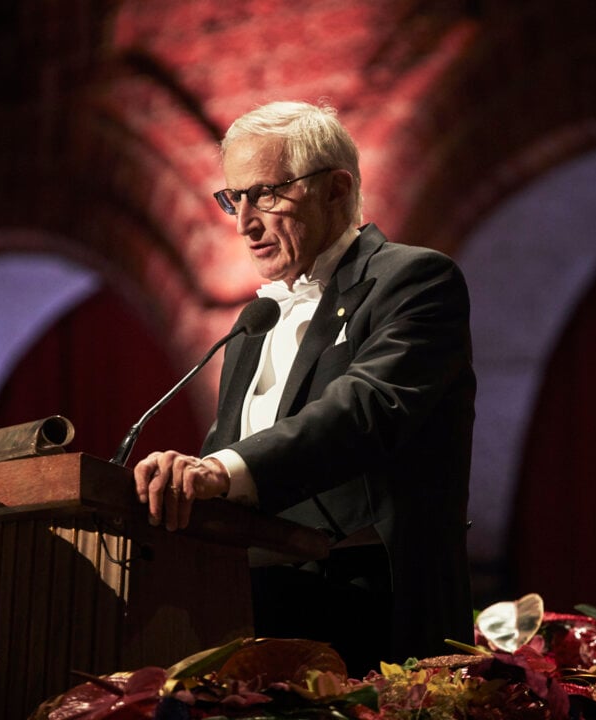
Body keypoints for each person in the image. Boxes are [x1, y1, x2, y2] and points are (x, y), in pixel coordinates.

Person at [132, 100, 475, 674]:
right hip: (253, 611)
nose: (244, 222)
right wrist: (185, 477)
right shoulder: (253, 323)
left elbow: (364, 410)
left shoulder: (415, 281)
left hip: (375, 613)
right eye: (233, 198)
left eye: (266, 193)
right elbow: (231, 458)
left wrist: (219, 471)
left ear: (337, 189)